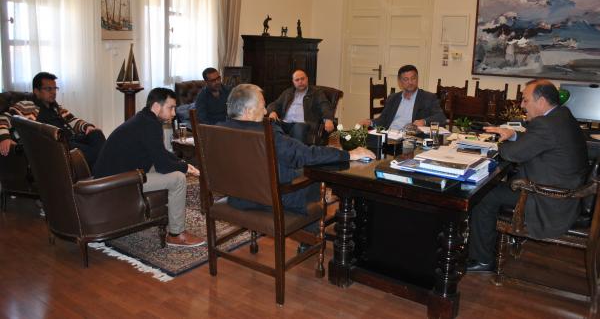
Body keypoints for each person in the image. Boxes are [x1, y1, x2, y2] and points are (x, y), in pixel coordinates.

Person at [467, 79, 589, 272]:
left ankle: (482, 260)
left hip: (549, 200)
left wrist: (497, 143)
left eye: (525, 100)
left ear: (541, 101)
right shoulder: (561, 115)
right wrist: (513, 135)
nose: (522, 105)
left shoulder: (546, 124)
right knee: (495, 187)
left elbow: (511, 154)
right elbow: (540, 141)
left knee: (484, 196)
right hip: (566, 194)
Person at [220, 83, 375, 215]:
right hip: (274, 200)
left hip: (238, 197)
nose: (266, 111)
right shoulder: (266, 134)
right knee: (314, 170)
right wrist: (348, 154)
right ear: (248, 112)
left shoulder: (218, 130)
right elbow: (306, 154)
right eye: (262, 107)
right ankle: (311, 234)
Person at [94, 87, 204, 247]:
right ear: (157, 106)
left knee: (174, 170)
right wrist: (184, 169)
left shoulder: (145, 119)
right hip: (116, 183)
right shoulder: (149, 125)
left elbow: (160, 154)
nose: (174, 113)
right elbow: (163, 165)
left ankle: (173, 223)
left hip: (121, 174)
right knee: (178, 179)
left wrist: (183, 164)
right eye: (171, 108)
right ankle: (176, 234)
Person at [0, 72, 105, 167]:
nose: (53, 92)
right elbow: (4, 118)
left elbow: (73, 120)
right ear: (36, 91)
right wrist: (4, 138)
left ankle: (100, 171)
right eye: (48, 89)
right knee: (98, 154)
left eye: (55, 88)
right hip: (55, 144)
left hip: (72, 139)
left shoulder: (56, 108)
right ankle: (104, 169)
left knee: (96, 134)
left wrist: (87, 126)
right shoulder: (26, 106)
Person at [359, 65, 446, 129]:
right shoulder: (393, 98)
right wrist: (370, 122)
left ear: (417, 79)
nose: (410, 82)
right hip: (390, 135)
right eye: (406, 79)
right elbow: (383, 119)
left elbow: (441, 117)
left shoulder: (428, 97)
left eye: (413, 78)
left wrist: (424, 121)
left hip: (411, 138)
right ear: (400, 82)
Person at [267, 70, 335, 144]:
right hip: (285, 123)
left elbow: (324, 105)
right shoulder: (288, 92)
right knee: (269, 124)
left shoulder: (316, 93)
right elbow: (275, 104)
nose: (300, 82)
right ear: (293, 82)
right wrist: (273, 112)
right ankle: (275, 150)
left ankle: (297, 151)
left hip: (303, 123)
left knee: (299, 127)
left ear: (307, 79)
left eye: (302, 79)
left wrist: (328, 119)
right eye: (297, 80)